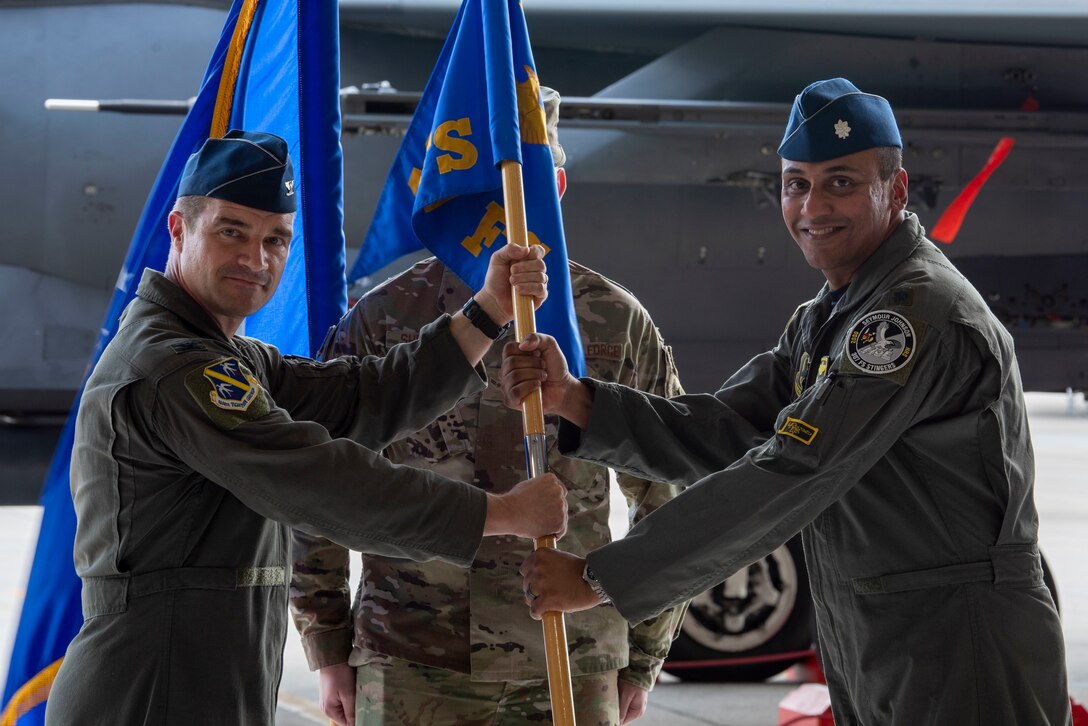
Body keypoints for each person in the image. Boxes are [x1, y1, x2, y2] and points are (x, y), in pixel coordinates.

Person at [507, 78, 1072, 725]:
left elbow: (795, 468)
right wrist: (578, 401)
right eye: (795, 183)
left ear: (896, 189)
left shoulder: (910, 315)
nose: (812, 206)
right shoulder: (830, 315)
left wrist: (602, 578)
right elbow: (731, 430)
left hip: (961, 640)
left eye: (841, 182)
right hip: (885, 634)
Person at [46, 129, 568, 725]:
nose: (255, 259)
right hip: (153, 690)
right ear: (179, 229)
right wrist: (500, 514)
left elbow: (364, 397)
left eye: (275, 239)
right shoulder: (175, 367)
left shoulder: (227, 357)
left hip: (197, 680)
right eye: (231, 232)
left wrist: (490, 308)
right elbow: (322, 482)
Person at [289, 87, 686, 726]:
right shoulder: (385, 318)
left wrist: (643, 654)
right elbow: (323, 482)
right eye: (489, 186)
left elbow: (665, 488)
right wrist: (327, 642)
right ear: (453, 191)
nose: (506, 204)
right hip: (413, 655)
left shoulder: (614, 320)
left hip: (572, 657)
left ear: (557, 187)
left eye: (527, 184)